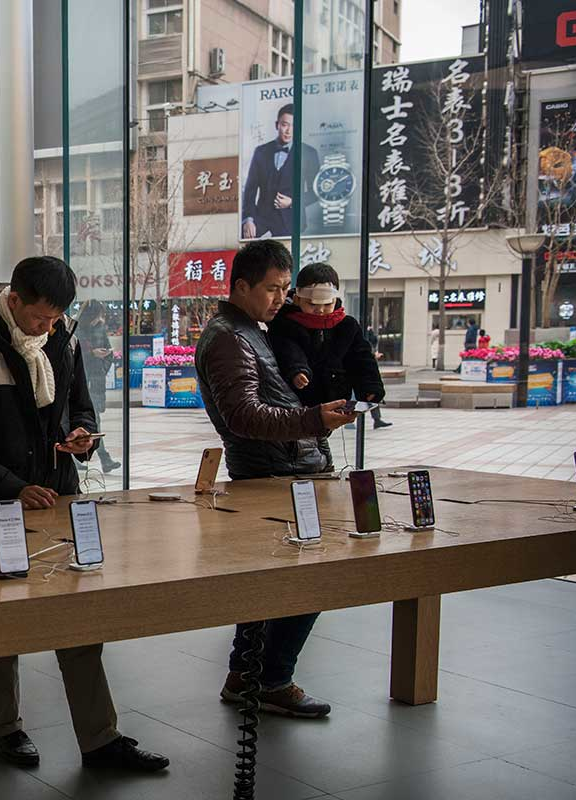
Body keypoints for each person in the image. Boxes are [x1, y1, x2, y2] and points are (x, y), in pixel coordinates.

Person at [0, 256, 169, 773]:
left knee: (78, 611)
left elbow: (81, 407)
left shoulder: (63, 341)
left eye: (56, 317)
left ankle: (100, 738)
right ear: (14, 300)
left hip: (58, 496)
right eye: (39, 317)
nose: (47, 326)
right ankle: (6, 728)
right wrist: (13, 487)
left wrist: (82, 436)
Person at [194, 240, 354, 718]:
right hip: (273, 476)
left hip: (285, 471)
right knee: (309, 580)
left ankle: (247, 677)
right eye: (272, 288)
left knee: (271, 585)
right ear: (241, 286)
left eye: (286, 288)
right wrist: (312, 420)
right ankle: (271, 679)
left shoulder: (252, 330)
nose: (281, 298)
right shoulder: (230, 337)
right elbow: (242, 415)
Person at [268, 263, 390, 441]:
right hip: (297, 406)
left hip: (335, 403)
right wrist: (296, 370)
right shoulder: (285, 324)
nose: (320, 310)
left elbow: (362, 359)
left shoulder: (347, 326)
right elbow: (287, 350)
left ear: (335, 299)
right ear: (297, 299)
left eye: (327, 304)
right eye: (312, 304)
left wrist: (370, 387)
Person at [240, 103, 320, 240]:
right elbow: (250, 190)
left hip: (291, 220)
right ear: (277, 125)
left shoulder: (309, 153)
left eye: (294, 126)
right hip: (262, 217)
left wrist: (293, 202)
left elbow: (317, 192)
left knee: (284, 253)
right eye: (284, 125)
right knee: (245, 243)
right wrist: (248, 219)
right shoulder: (261, 152)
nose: (288, 131)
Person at [77, 300, 120, 474]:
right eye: (97, 315)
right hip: (80, 383)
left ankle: (99, 459)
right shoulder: (76, 329)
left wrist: (102, 364)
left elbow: (109, 352)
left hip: (95, 382)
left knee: (94, 422)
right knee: (90, 422)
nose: (99, 319)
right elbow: (74, 355)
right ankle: (103, 458)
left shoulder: (100, 329)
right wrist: (91, 354)